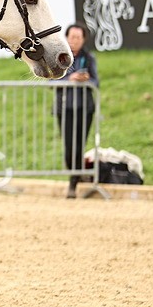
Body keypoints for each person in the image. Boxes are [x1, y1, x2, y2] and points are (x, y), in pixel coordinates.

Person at [54, 23, 98, 199]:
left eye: (78, 38)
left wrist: (86, 80)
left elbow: (96, 82)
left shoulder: (89, 58)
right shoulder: (59, 57)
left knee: (79, 145)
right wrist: (69, 79)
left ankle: (74, 181)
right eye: (72, 37)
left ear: (83, 40)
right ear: (66, 38)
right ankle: (75, 176)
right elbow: (51, 81)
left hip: (84, 108)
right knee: (69, 147)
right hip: (64, 108)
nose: (74, 41)